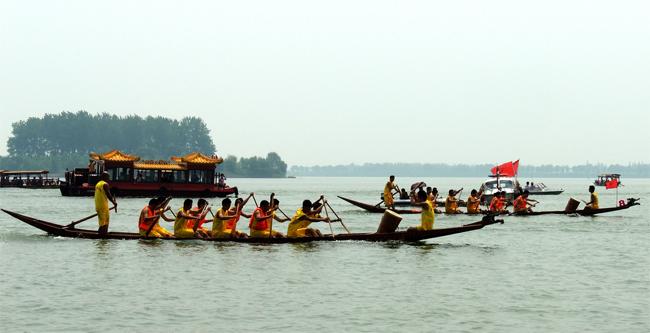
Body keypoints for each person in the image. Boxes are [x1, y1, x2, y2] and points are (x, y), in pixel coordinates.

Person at [94, 172, 117, 236]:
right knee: (103, 223)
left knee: (105, 222)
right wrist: (114, 202)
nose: (109, 179)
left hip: (100, 206)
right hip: (102, 206)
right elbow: (108, 195)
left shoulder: (98, 184)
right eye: (108, 177)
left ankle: (104, 236)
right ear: (104, 177)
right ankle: (101, 236)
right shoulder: (105, 184)